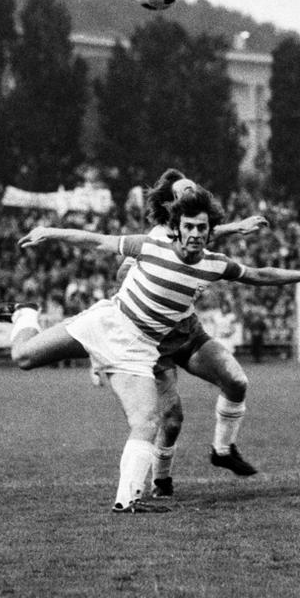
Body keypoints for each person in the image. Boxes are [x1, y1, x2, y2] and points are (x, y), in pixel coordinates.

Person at [0, 186, 300, 513]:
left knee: (147, 421)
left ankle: (127, 501)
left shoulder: (213, 265)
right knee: (24, 357)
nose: (196, 233)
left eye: (203, 227)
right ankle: (25, 312)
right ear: (178, 227)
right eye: (190, 226)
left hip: (140, 350)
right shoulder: (152, 244)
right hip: (109, 322)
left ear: (209, 229)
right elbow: (96, 241)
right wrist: (50, 232)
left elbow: (260, 274)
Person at [112, 168, 270, 499]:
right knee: (171, 420)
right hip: (154, 344)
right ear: (171, 205)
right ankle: (162, 480)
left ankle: (223, 449)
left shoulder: (193, 231)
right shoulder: (155, 237)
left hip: (187, 331)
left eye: (192, 190)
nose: (189, 194)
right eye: (182, 192)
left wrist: (235, 228)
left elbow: (204, 232)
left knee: (237, 381)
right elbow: (139, 260)